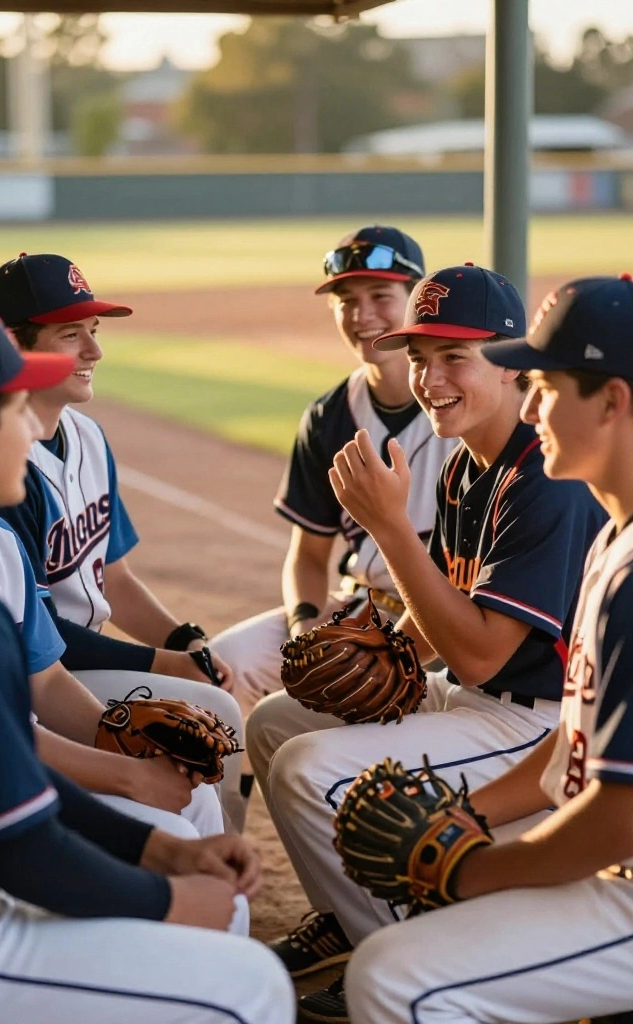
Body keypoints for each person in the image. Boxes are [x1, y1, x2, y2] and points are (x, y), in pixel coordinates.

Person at [245, 263, 607, 1021]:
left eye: (454, 357)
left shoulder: (546, 480)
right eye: (418, 357)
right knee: (276, 722)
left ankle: (402, 942)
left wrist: (382, 525)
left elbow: (479, 654)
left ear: (510, 369)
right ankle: (348, 923)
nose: (429, 377)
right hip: (485, 702)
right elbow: (437, 617)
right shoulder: (464, 467)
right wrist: (388, 654)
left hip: (531, 718)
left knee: (313, 768)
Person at [0, 302, 294, 1024]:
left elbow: (14, 788)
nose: (35, 427)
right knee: (250, 989)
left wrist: (160, 853)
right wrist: (169, 898)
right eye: (16, 409)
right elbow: (19, 847)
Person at [346, 272, 633, 1024]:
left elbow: (619, 817)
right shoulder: (612, 538)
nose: (530, 406)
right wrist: (465, 817)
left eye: (545, 383)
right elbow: (582, 734)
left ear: (613, 401)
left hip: (622, 873)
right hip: (608, 857)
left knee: (393, 976)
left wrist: (474, 869)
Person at [0, 254, 245, 830]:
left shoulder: (87, 437)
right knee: (213, 710)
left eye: (93, 333)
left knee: (215, 687)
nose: (94, 352)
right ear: (12, 346)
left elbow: (115, 580)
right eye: (70, 334)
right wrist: (166, 662)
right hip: (55, 672)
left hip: (69, 667)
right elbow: (44, 644)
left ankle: (225, 860)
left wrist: (184, 640)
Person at [210, 225, 456, 803]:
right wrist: (305, 631)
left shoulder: (459, 408)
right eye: (347, 301)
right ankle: (223, 855)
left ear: (416, 300)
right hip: (358, 608)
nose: (361, 315)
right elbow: (310, 551)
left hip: (442, 621)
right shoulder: (328, 416)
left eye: (380, 297)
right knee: (223, 670)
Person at [0, 510, 231, 841]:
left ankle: (228, 876)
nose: (28, 454)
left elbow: (46, 679)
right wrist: (129, 775)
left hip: (23, 752)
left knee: (193, 796)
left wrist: (118, 734)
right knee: (172, 834)